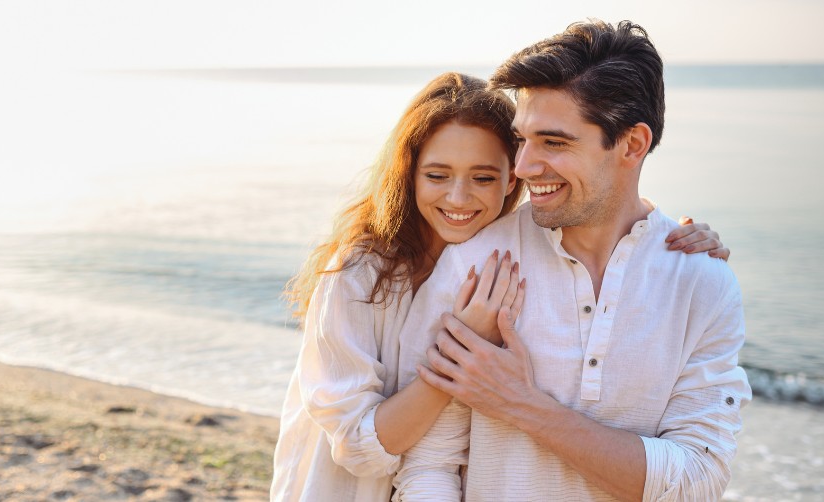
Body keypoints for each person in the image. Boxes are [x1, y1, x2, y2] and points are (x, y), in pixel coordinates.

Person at [270, 71, 729, 501]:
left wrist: (659, 238)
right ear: (408, 174)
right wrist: (463, 353)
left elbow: (605, 200)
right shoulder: (359, 273)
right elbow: (358, 446)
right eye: (437, 175)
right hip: (343, 488)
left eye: (483, 178)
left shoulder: (493, 258)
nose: (458, 197)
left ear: (513, 178)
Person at [396, 20, 751, 501]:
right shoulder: (476, 264)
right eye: (522, 140)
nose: (522, 168)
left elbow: (696, 480)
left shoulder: (700, 280)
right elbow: (427, 467)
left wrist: (523, 405)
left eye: (554, 142)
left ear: (632, 144)